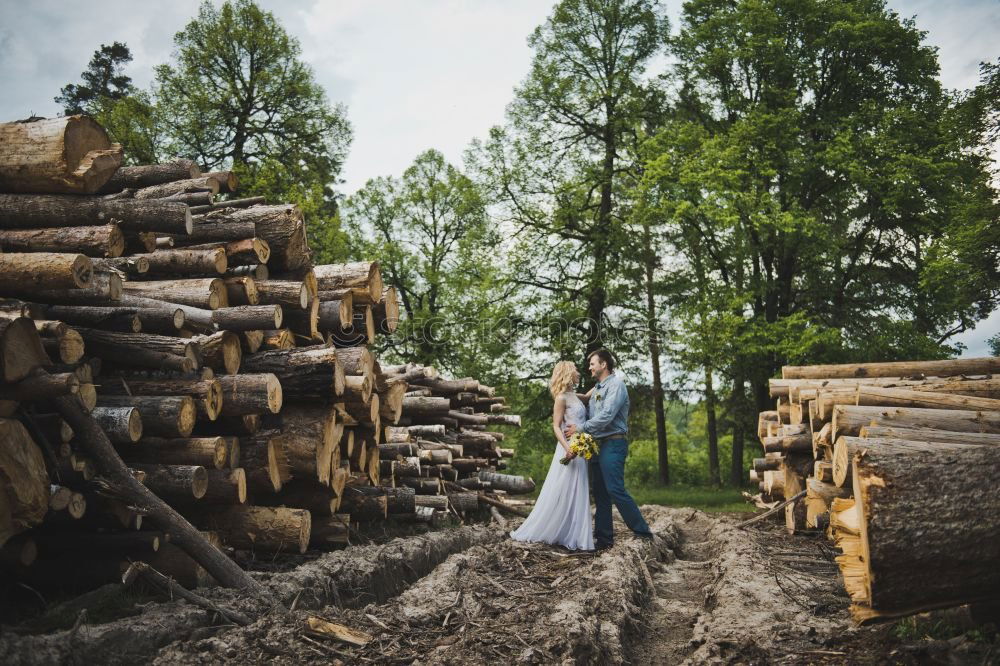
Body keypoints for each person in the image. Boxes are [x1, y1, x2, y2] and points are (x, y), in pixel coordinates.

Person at [564, 348, 652, 550]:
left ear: (603, 364)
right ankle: (604, 540)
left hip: (613, 443)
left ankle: (642, 532)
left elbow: (607, 416)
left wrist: (580, 428)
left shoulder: (616, 386)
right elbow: (585, 399)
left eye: (592, 363)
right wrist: (563, 391)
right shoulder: (598, 388)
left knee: (615, 488)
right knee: (601, 494)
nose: (589, 367)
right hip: (597, 445)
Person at [509, 360, 594, 551]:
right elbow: (556, 426)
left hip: (581, 447)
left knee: (578, 488)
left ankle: (573, 533)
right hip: (569, 446)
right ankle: (552, 529)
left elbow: (589, 397)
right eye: (576, 370)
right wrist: (567, 448)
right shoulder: (561, 398)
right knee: (563, 487)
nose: (579, 373)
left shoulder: (574, 395)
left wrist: (606, 381)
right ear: (567, 373)